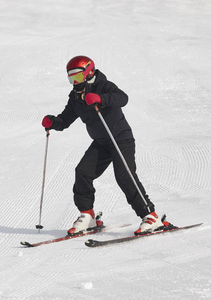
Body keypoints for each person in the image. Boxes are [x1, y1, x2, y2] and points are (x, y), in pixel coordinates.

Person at [42, 55, 169, 236]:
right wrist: (53, 123)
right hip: (101, 142)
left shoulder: (104, 86)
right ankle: (88, 216)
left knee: (125, 177)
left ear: (89, 72)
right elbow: (66, 119)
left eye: (77, 77)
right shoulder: (75, 97)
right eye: (71, 78)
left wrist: (101, 99)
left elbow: (123, 98)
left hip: (120, 139)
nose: (74, 82)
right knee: (83, 172)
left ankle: (151, 216)